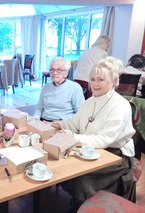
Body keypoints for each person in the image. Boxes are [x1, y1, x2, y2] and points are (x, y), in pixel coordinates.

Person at [52, 56, 135, 211]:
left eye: (101, 79)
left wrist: (73, 137)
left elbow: (105, 140)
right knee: (64, 167)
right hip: (91, 149)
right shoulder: (90, 101)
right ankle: (79, 202)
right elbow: (75, 123)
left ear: (114, 81)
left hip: (115, 156)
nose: (95, 84)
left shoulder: (120, 106)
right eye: (92, 79)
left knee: (80, 177)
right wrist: (59, 124)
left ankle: (82, 206)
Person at [34, 57, 85, 121]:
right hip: (44, 121)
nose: (55, 73)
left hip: (63, 124)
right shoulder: (46, 87)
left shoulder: (75, 88)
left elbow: (80, 113)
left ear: (66, 73)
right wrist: (35, 119)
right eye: (52, 69)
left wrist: (60, 122)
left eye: (59, 70)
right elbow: (39, 108)